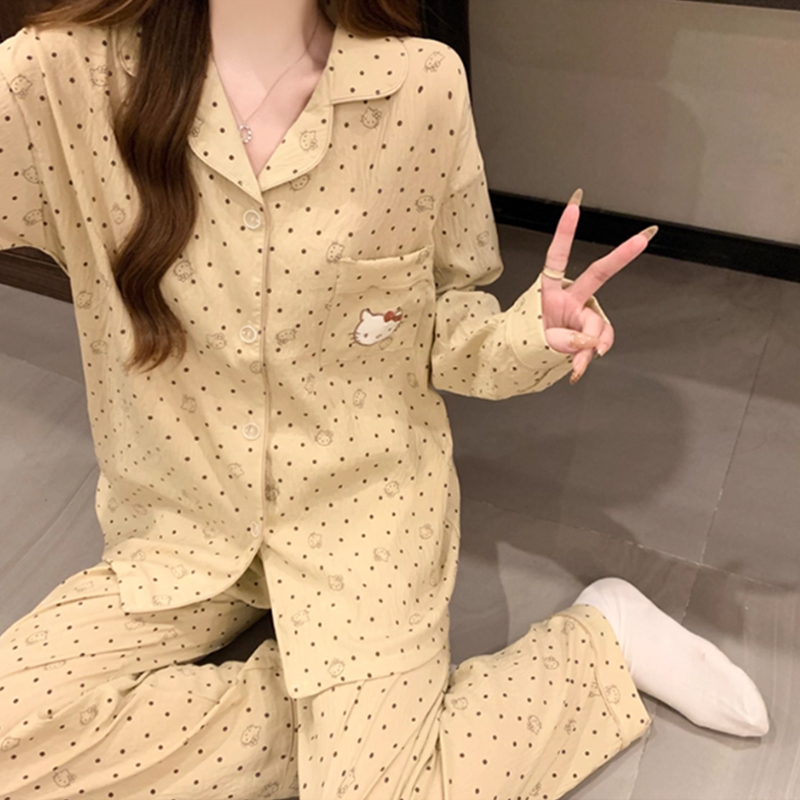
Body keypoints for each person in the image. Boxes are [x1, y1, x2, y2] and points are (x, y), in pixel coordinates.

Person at [0, 0, 769, 798]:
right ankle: (344, 729)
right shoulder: (56, 75)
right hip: (182, 531)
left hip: (360, 525)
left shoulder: (421, 86)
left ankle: (596, 650)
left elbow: (442, 324)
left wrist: (530, 338)